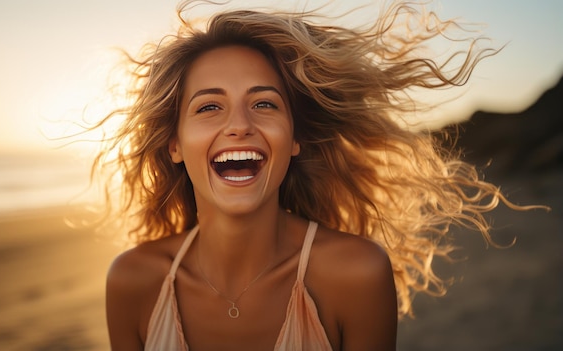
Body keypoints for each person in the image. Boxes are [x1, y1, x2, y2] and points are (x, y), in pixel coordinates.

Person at [92, 1, 532, 350]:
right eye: (209, 106)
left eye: (264, 103)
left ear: (295, 139)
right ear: (175, 145)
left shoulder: (356, 274)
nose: (239, 125)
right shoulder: (134, 281)